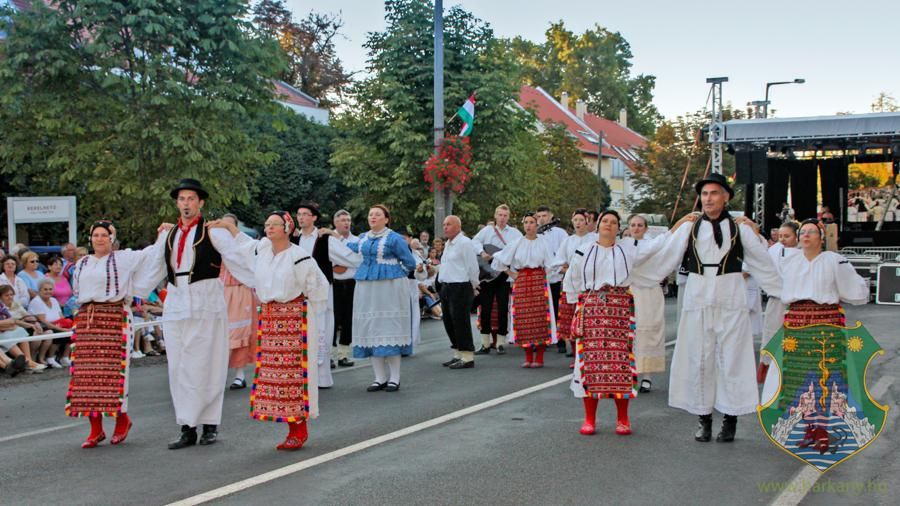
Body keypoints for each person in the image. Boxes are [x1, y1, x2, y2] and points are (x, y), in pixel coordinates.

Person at [651, 173, 781, 443]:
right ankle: (704, 418)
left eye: (714, 193)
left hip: (730, 293)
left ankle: (730, 419)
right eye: (705, 194)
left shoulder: (740, 228)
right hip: (698, 294)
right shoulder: (690, 226)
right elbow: (664, 253)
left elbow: (763, 263)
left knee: (732, 358)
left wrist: (785, 292)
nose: (708, 198)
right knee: (699, 357)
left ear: (726, 197)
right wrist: (641, 273)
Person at [564, 210, 692, 435]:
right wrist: (577, 309)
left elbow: (658, 246)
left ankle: (623, 419)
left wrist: (680, 224)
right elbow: (572, 280)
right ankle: (589, 419)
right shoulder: (582, 250)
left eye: (614, 222)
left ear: (618, 227)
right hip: (591, 309)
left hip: (619, 311)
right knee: (588, 366)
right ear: (598, 224)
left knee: (621, 364)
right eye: (605, 221)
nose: (609, 225)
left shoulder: (628, 248)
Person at [211, 211, 328, 450]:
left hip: (294, 319)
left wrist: (304, 312)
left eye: (274, 224)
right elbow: (245, 245)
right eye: (266, 224)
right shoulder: (263, 251)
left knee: (295, 375)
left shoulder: (299, 257)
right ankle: (290, 424)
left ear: (287, 227)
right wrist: (228, 227)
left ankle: (298, 428)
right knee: (276, 377)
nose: (268, 228)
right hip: (271, 319)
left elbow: (318, 288)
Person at [149, 178, 246, 450]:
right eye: (182, 199)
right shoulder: (169, 234)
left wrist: (268, 281)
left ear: (200, 202)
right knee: (179, 366)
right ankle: (187, 426)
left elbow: (241, 257)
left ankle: (210, 424)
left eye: (191, 199)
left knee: (206, 363)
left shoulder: (214, 232)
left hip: (205, 300)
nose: (186, 204)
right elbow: (150, 266)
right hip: (177, 302)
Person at [66, 220, 165, 448]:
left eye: (104, 235)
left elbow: (151, 254)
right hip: (87, 320)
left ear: (112, 238)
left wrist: (164, 234)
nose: (99, 239)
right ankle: (95, 429)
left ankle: (122, 420)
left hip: (113, 317)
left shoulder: (123, 259)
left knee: (114, 373)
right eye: (96, 235)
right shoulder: (82, 263)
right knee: (86, 376)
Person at [760, 219, 871, 404]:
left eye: (811, 232)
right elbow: (767, 275)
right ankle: (798, 417)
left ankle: (822, 421)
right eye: (803, 232)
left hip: (826, 320)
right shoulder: (789, 261)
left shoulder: (833, 260)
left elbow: (854, 289)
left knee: (825, 370)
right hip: (797, 321)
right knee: (796, 369)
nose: (806, 235)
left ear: (821, 238)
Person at [343, 205, 417, 392]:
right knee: (371, 329)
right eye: (370, 215)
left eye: (377, 214)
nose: (373, 217)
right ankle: (379, 378)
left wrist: (397, 277)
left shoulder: (394, 239)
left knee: (389, 328)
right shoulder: (363, 238)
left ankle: (395, 378)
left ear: (386, 219)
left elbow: (409, 262)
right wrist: (331, 235)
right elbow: (345, 248)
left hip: (389, 287)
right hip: (367, 287)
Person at [291, 202, 361, 388]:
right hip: (299, 293)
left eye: (305, 214)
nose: (301, 217)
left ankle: (322, 377)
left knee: (323, 330)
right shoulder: (294, 240)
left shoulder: (324, 239)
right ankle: (304, 375)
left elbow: (350, 258)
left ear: (314, 218)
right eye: (299, 214)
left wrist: (336, 237)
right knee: (302, 334)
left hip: (321, 292)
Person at [490, 212, 557, 368]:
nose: (528, 225)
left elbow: (551, 264)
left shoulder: (544, 242)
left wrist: (543, 275)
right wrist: (511, 273)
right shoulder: (517, 242)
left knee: (540, 318)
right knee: (522, 317)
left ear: (537, 225)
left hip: (538, 282)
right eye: (526, 222)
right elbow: (500, 259)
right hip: (522, 282)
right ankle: (528, 356)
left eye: (531, 222)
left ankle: (539, 357)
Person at [471, 204, 522, 354]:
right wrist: (482, 252)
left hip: (503, 275)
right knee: (485, 308)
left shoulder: (514, 233)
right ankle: (485, 344)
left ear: (509, 217)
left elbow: (521, 247)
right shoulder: (486, 231)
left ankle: (500, 342)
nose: (502, 218)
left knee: (502, 308)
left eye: (505, 215)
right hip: (487, 275)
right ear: (495, 216)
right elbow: (474, 242)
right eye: (500, 215)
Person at [626, 214, 668, 393]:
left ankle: (647, 376)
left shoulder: (653, 246)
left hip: (650, 293)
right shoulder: (622, 246)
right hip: (630, 291)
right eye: (633, 225)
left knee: (648, 333)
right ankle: (630, 373)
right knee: (630, 333)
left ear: (645, 228)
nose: (636, 228)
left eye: (640, 225)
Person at [551, 209, 597, 367]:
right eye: (575, 220)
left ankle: (587, 355)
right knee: (571, 319)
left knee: (586, 320)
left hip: (588, 285)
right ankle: (575, 357)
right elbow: (558, 262)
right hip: (570, 284)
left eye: (581, 220)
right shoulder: (568, 241)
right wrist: (566, 268)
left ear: (587, 222)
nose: (578, 223)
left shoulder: (594, 239)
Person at [757, 221, 800, 384]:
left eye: (787, 236)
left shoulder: (804, 252)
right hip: (777, 300)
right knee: (772, 333)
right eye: (780, 236)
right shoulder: (773, 251)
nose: (782, 239)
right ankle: (768, 368)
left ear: (796, 236)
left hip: (797, 301)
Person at [219, 214, 258, 390]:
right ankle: (218, 375)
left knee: (239, 334)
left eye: (229, 226)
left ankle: (239, 375)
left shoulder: (243, 245)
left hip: (240, 289)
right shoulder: (215, 245)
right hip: (220, 291)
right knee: (220, 334)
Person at [437, 216, 480, 369]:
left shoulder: (465, 243)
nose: (445, 227)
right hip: (447, 286)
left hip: (461, 286)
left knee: (461, 322)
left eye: (448, 224)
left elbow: (472, 267)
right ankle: (457, 353)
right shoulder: (448, 244)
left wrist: (474, 285)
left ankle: (467, 356)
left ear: (458, 226)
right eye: (444, 224)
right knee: (449, 321)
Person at [535, 205, 569, 354]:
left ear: (551, 216)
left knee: (557, 308)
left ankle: (560, 341)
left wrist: (561, 267)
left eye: (544, 215)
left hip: (556, 277)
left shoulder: (560, 233)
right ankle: (542, 339)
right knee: (540, 310)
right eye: (539, 216)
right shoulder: (535, 234)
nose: (542, 219)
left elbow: (566, 251)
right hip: (540, 278)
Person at [331, 209, 358, 367]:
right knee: (332, 320)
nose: (346, 223)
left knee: (348, 320)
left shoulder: (356, 240)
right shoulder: (328, 239)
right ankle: (330, 355)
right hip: (334, 283)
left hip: (351, 283)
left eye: (348, 220)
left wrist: (344, 263)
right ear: (335, 222)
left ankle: (344, 354)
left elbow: (357, 260)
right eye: (342, 220)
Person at [29, 278, 74, 368]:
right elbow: (43, 321)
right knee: (58, 332)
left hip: (56, 324)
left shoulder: (53, 300)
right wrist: (61, 328)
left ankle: (64, 357)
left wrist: (66, 325)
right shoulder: (36, 301)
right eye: (45, 289)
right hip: (43, 326)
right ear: (40, 290)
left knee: (72, 331)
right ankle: (50, 358)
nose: (48, 291)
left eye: (50, 289)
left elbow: (61, 317)